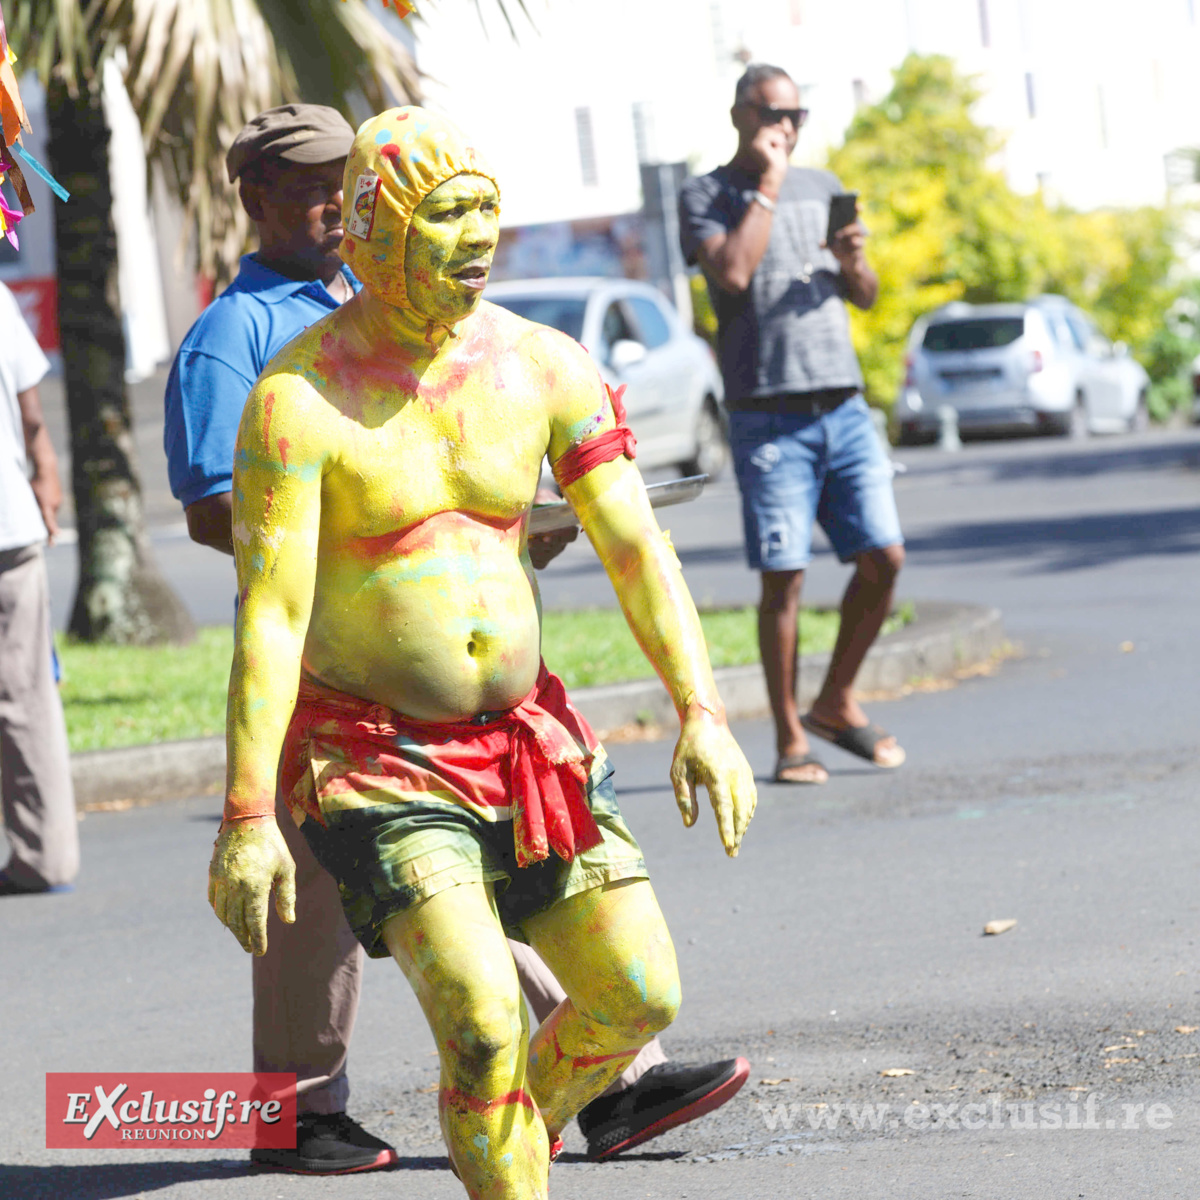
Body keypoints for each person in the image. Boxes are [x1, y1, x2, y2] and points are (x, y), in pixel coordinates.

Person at [165, 104, 749, 1174]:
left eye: (487, 210)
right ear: (376, 230)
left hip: (528, 743)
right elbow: (272, 607)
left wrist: (702, 711)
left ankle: (504, 1125)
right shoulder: (293, 394)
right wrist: (248, 811)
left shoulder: (543, 364)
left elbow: (637, 546)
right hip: (378, 755)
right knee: (478, 1022)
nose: (477, 236)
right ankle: (446, 1131)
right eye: (446, 214)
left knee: (638, 991)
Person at [679, 63, 907, 786]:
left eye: (798, 117)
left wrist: (857, 261)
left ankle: (836, 700)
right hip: (767, 414)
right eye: (775, 113)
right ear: (740, 113)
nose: (787, 127)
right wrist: (769, 186)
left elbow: (862, 297)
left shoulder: (823, 184)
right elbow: (734, 276)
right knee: (785, 578)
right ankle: (788, 738)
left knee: (885, 558)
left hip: (841, 402)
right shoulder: (706, 194)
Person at [0, 281, 79, 895]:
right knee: (24, 700)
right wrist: (45, 487)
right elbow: (32, 418)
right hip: (11, 531)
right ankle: (43, 853)